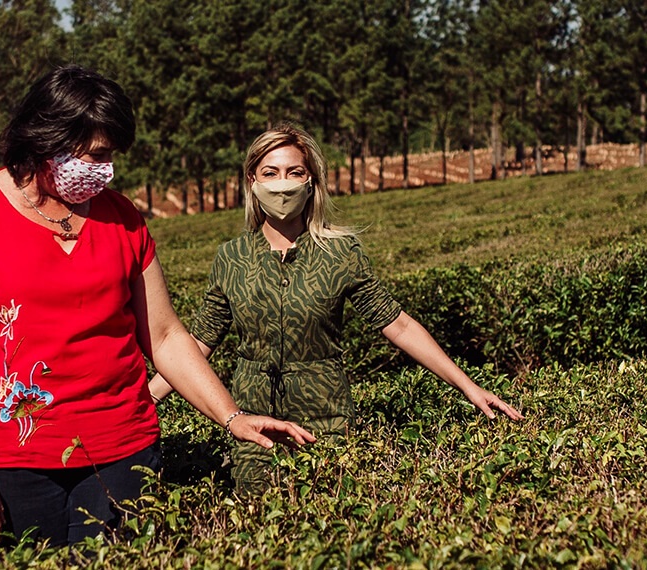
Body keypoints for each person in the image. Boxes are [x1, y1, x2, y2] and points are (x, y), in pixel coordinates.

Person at [0, 66, 314, 547]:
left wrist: (230, 415)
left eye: (111, 155)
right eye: (97, 154)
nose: (105, 168)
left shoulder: (122, 219)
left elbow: (163, 336)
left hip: (123, 449)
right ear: (48, 138)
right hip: (12, 459)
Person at [148, 123, 523, 492]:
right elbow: (197, 343)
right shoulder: (230, 258)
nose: (282, 183)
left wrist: (467, 386)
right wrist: (145, 400)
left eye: (294, 172)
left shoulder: (340, 253)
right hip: (254, 425)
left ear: (311, 182)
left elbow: (397, 325)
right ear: (252, 181)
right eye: (270, 173)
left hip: (324, 421)